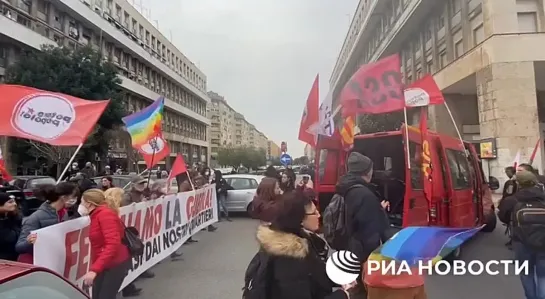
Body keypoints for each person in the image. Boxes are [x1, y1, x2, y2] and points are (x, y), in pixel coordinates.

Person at [253, 191, 354, 299]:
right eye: (314, 212)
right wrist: (342, 295)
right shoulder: (288, 257)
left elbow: (316, 274)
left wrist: (341, 277)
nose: (319, 215)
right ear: (299, 219)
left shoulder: (302, 238)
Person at [335, 152, 390, 262]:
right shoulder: (365, 195)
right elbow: (370, 235)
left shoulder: (344, 187)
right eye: (371, 168)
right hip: (361, 255)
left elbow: (354, 215)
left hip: (347, 248)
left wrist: (377, 209)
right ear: (366, 171)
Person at [78, 189, 131, 299]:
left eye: (82, 202)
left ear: (89, 203)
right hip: (105, 264)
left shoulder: (104, 214)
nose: (80, 205)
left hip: (115, 264)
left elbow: (112, 244)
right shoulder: (97, 215)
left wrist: (94, 269)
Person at [502, 170, 545, 299]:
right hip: (543, 242)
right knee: (543, 275)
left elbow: (503, 216)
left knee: (527, 274)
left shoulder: (512, 200)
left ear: (518, 183)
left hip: (521, 242)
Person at [16, 182, 78, 263]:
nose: (75, 200)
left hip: (52, 261)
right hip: (35, 263)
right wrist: (29, 242)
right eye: (73, 197)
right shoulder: (35, 218)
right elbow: (19, 247)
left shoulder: (64, 213)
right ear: (64, 197)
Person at [0, 193, 22, 261]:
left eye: (14, 201)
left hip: (15, 255)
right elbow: (8, 238)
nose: (15, 204)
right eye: (10, 202)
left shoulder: (14, 217)